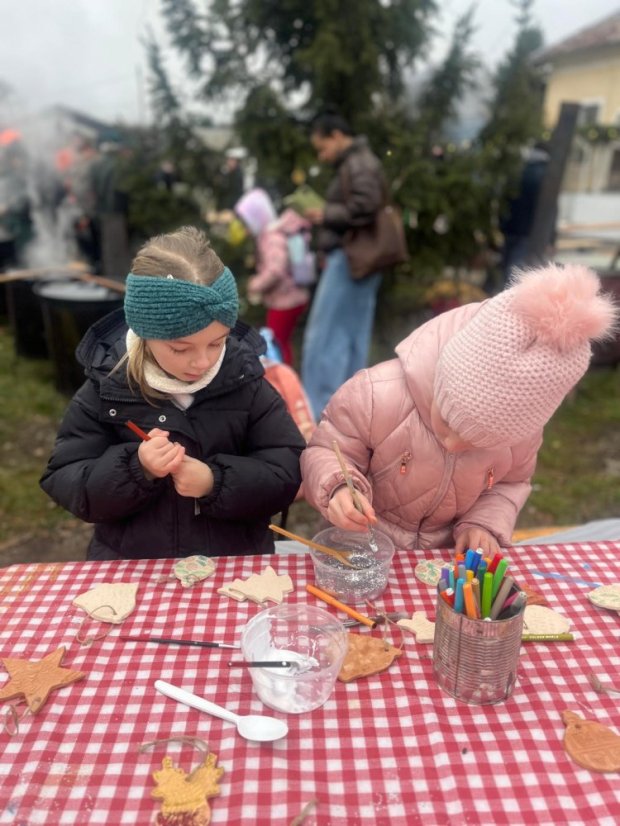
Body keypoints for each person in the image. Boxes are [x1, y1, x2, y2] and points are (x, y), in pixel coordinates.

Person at [301, 263, 618, 555]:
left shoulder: (521, 436)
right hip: (355, 550)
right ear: (443, 378)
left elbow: (510, 484)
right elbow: (326, 450)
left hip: (443, 561)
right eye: (448, 421)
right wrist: (338, 487)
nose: (453, 443)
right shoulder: (375, 395)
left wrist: (483, 525)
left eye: (476, 441)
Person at [40, 226, 305, 561]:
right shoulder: (108, 387)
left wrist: (215, 482)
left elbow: (287, 471)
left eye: (217, 343)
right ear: (144, 333)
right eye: (180, 349)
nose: (202, 361)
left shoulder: (245, 381)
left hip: (233, 566)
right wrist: (136, 469)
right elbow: (67, 480)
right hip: (134, 567)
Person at [301, 112, 386, 419]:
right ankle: (349, 409)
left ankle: (319, 410)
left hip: (349, 259)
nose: (322, 156)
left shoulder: (358, 163)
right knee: (351, 335)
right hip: (360, 262)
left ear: (336, 136)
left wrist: (326, 213)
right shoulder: (362, 161)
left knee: (324, 336)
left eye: (322, 147)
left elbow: (367, 205)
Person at [235, 187, 311, 366]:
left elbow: (276, 270)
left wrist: (255, 284)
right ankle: (285, 374)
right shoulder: (273, 234)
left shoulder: (272, 238)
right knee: (281, 341)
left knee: (276, 343)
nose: (246, 228)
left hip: (285, 300)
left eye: (247, 222)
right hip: (288, 297)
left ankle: (283, 377)